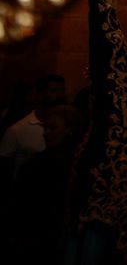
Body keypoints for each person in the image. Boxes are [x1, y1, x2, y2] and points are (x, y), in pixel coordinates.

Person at [9, 104, 84, 264]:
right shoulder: (36, 163)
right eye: (45, 128)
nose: (46, 133)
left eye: (52, 128)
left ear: (69, 130)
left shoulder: (77, 165)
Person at [0, 74, 66, 182]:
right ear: (39, 94)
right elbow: (4, 169)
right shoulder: (18, 130)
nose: (60, 95)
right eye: (54, 91)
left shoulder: (66, 127)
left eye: (62, 90)